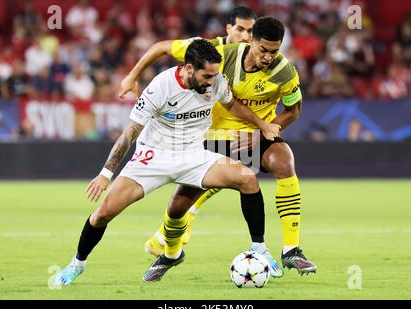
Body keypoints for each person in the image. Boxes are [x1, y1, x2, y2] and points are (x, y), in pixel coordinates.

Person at [53, 39, 281, 285]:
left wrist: (261, 124)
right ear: (189, 68)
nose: (211, 81)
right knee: (102, 214)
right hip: (153, 157)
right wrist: (105, 174)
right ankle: (77, 264)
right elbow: (130, 132)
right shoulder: (161, 86)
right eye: (207, 75)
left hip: (193, 155)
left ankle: (258, 248)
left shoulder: (216, 82)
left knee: (247, 178)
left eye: (215, 75)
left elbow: (232, 104)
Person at [120, 16, 318, 275]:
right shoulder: (219, 54)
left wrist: (262, 133)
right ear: (250, 40)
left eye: (275, 51)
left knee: (284, 159)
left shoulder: (285, 72)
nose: (269, 57)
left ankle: (291, 250)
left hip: (253, 137)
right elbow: (162, 47)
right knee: (179, 204)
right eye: (263, 50)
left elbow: (293, 111)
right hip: (212, 139)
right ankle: (169, 252)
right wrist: (132, 76)